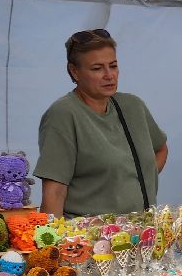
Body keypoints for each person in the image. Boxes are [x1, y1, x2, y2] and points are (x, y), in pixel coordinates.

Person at [35, 29, 168, 217]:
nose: (109, 75)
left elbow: (161, 149)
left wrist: (137, 179)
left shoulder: (133, 106)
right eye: (97, 68)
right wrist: (49, 235)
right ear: (74, 71)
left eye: (113, 66)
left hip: (142, 229)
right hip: (89, 233)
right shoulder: (63, 114)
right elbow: (54, 192)